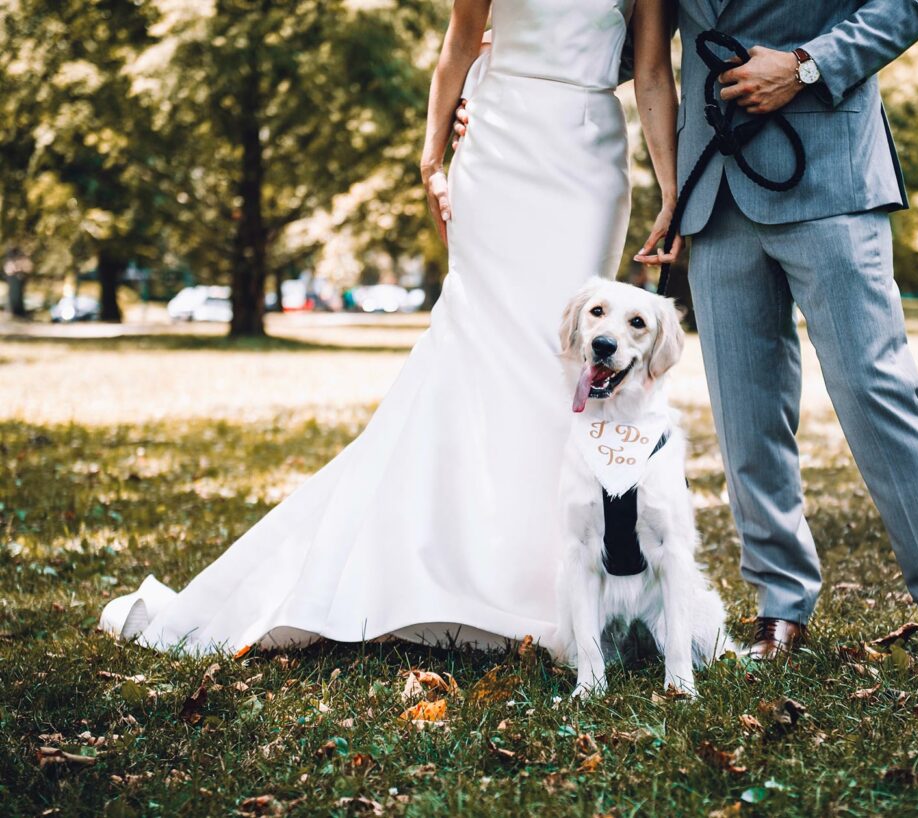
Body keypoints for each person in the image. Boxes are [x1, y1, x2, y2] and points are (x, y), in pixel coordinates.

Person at [98, 0, 681, 655]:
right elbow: (459, 45)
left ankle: (565, 578)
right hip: (499, 148)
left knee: (564, 363)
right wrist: (432, 160)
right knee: (478, 349)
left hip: (589, 159)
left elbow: (655, 72)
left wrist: (670, 190)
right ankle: (453, 566)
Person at [461, 0, 918, 673]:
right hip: (712, 188)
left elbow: (909, 4)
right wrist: (515, 63)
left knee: (874, 393)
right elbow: (639, 47)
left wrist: (805, 66)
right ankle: (781, 602)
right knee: (745, 417)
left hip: (827, 171)